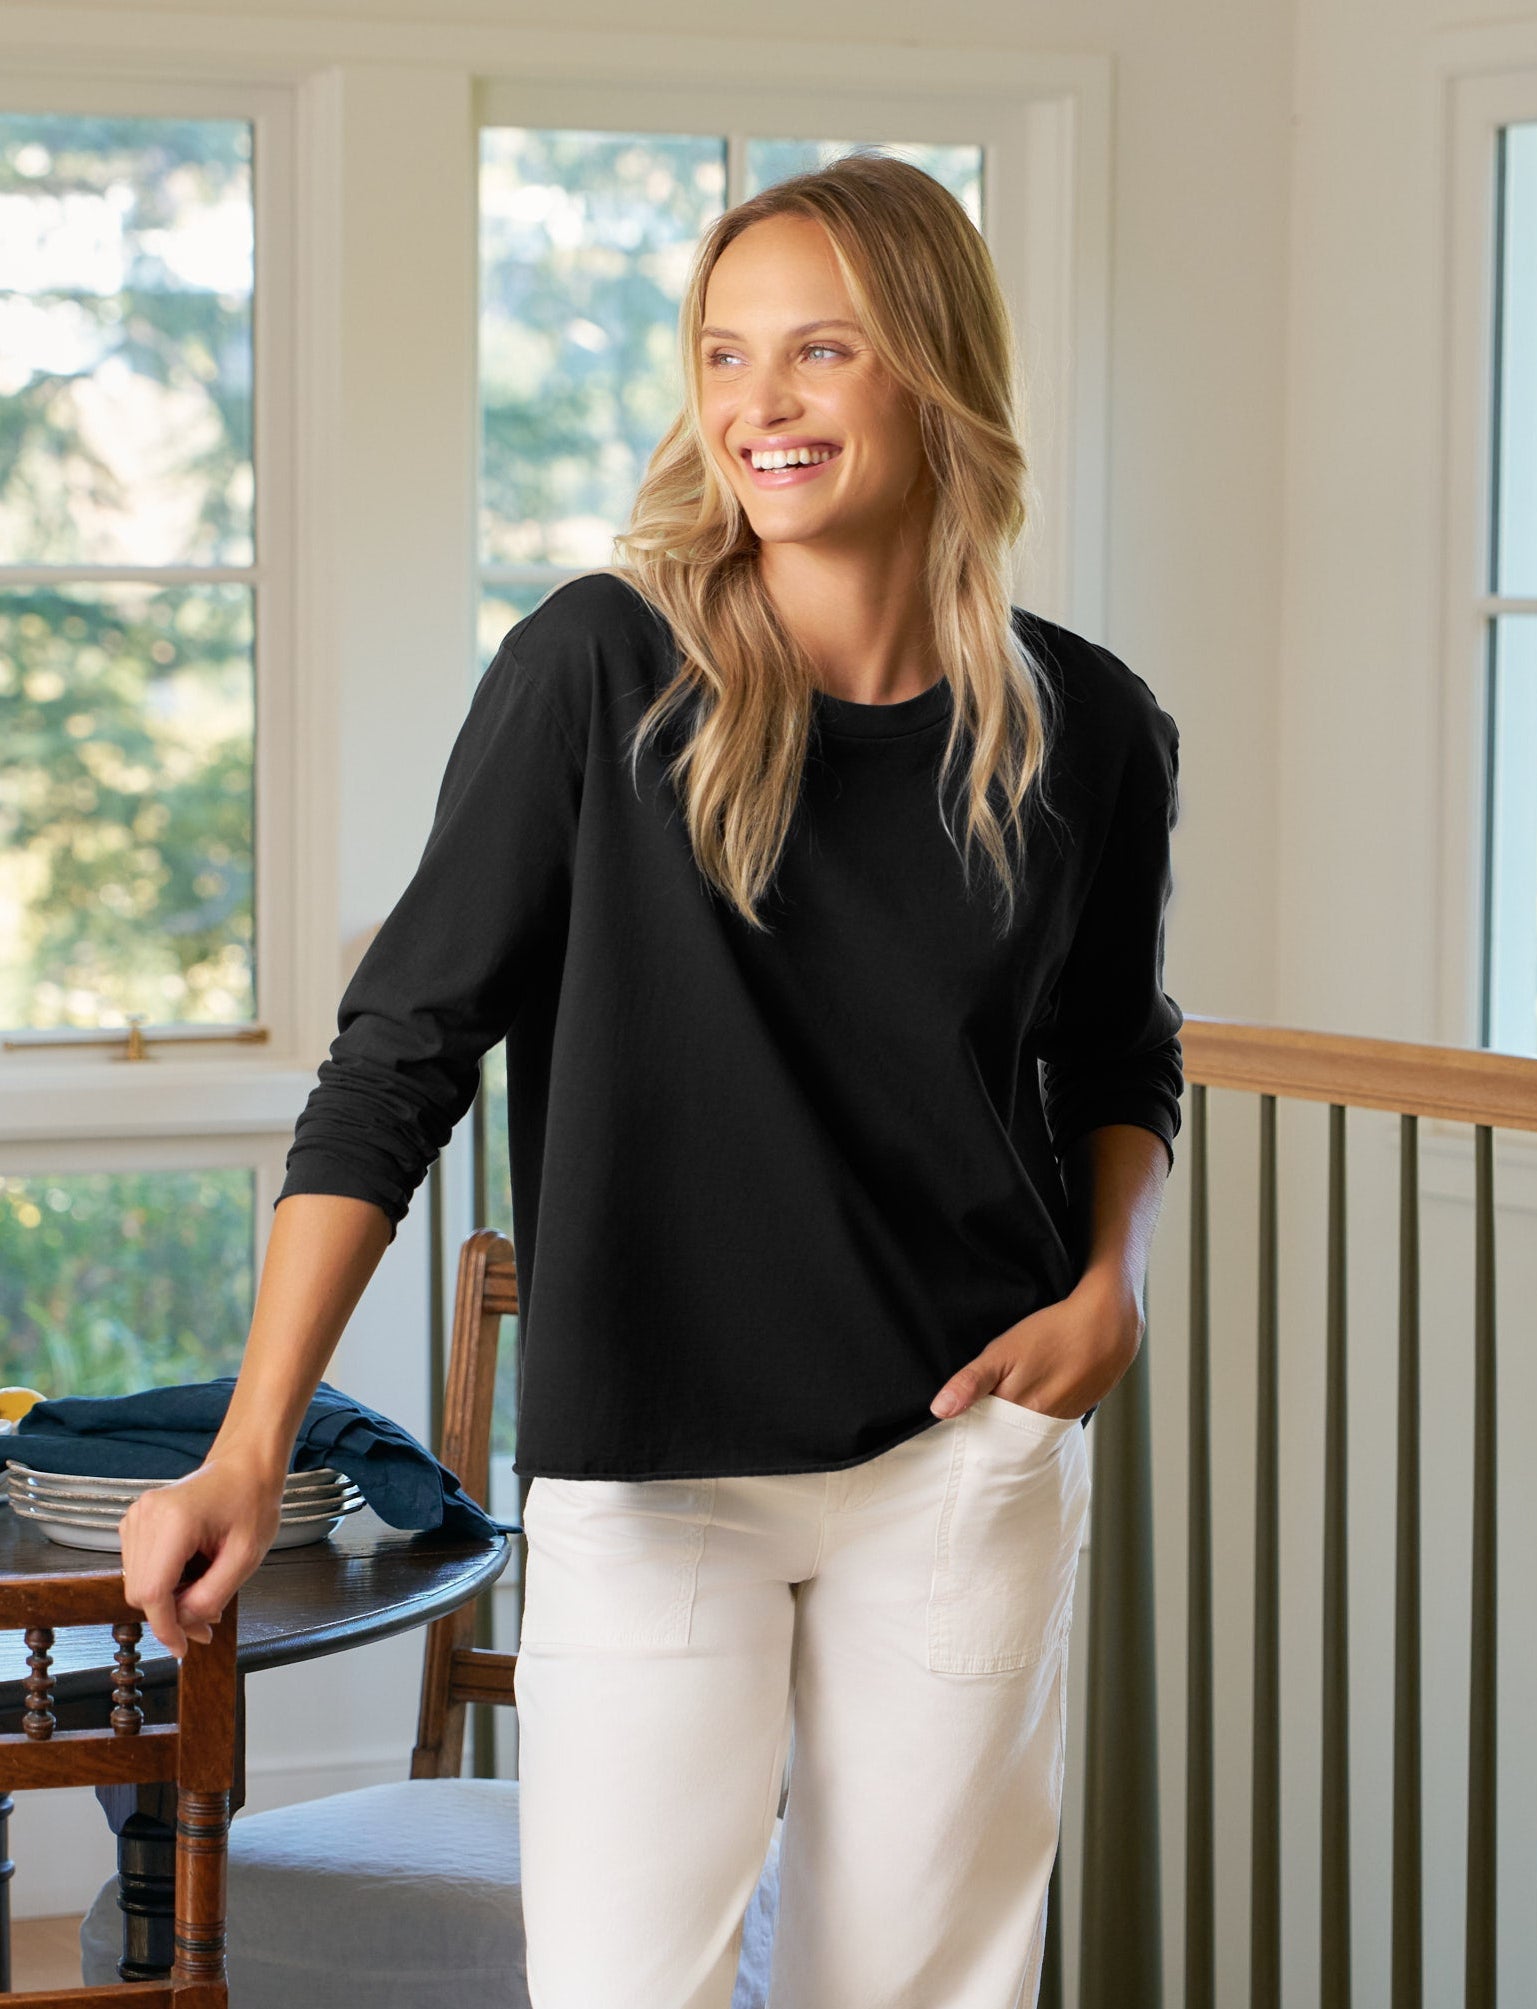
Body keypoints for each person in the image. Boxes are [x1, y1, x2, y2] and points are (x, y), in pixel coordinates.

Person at [120, 151, 1184, 2009]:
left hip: (962, 1448)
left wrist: (1114, 1284)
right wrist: (247, 1443)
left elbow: (1119, 1054)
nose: (757, 404)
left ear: (930, 372)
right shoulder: (597, 668)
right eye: (722, 354)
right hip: (657, 1472)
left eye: (819, 351)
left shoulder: (1087, 721)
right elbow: (401, 1060)